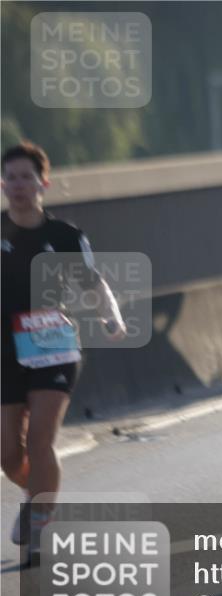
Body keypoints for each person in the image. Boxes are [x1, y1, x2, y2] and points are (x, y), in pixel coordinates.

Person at [2, 141, 127, 561]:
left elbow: (94, 284)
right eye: (11, 177)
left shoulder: (65, 235)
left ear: (44, 184)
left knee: (40, 438)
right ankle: (35, 490)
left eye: (27, 177)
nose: (19, 185)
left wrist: (110, 316)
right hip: (4, 348)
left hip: (52, 343)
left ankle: (40, 519)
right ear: (3, 184)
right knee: (7, 453)